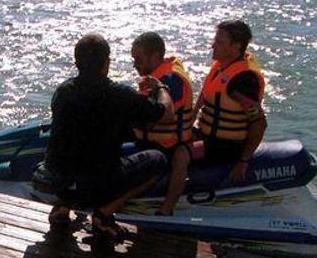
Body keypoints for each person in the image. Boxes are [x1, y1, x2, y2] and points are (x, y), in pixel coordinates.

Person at [41, 32, 175, 239]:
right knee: (158, 159)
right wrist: (161, 87)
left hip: (56, 178)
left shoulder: (62, 91)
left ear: (77, 63)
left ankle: (63, 205)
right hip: (96, 184)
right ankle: (104, 214)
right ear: (106, 62)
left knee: (76, 155)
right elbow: (166, 114)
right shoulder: (118, 95)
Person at [130, 32, 196, 216]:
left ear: (156, 56)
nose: (135, 64)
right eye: (133, 59)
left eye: (139, 59)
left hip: (168, 145)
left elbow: (158, 115)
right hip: (154, 139)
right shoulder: (155, 77)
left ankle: (167, 208)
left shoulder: (171, 81)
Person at [194, 20, 267, 184]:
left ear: (236, 46)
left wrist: (243, 161)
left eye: (219, 43)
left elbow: (259, 124)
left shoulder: (243, 80)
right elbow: (205, 96)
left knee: (179, 153)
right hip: (208, 137)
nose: (213, 46)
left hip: (227, 147)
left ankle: (166, 206)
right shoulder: (221, 67)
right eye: (215, 41)